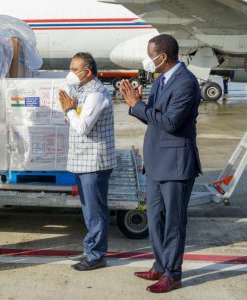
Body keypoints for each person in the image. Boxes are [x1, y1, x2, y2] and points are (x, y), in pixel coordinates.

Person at [120, 34, 202, 293]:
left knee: (174, 223)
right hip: (156, 163)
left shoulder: (186, 83)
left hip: (176, 165)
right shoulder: (161, 81)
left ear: (162, 56)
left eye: (150, 53)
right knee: (154, 219)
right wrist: (137, 106)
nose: (148, 59)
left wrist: (138, 105)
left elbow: (170, 123)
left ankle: (173, 274)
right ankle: (159, 264)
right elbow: (154, 119)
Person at [59, 52, 117, 271]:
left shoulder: (96, 94)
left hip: (94, 162)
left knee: (95, 210)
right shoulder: (83, 91)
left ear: (88, 72)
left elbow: (82, 127)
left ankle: (97, 254)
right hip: (83, 161)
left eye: (75, 69)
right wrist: (70, 111)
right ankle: (90, 249)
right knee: (88, 209)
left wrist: (69, 110)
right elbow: (74, 123)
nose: (71, 73)